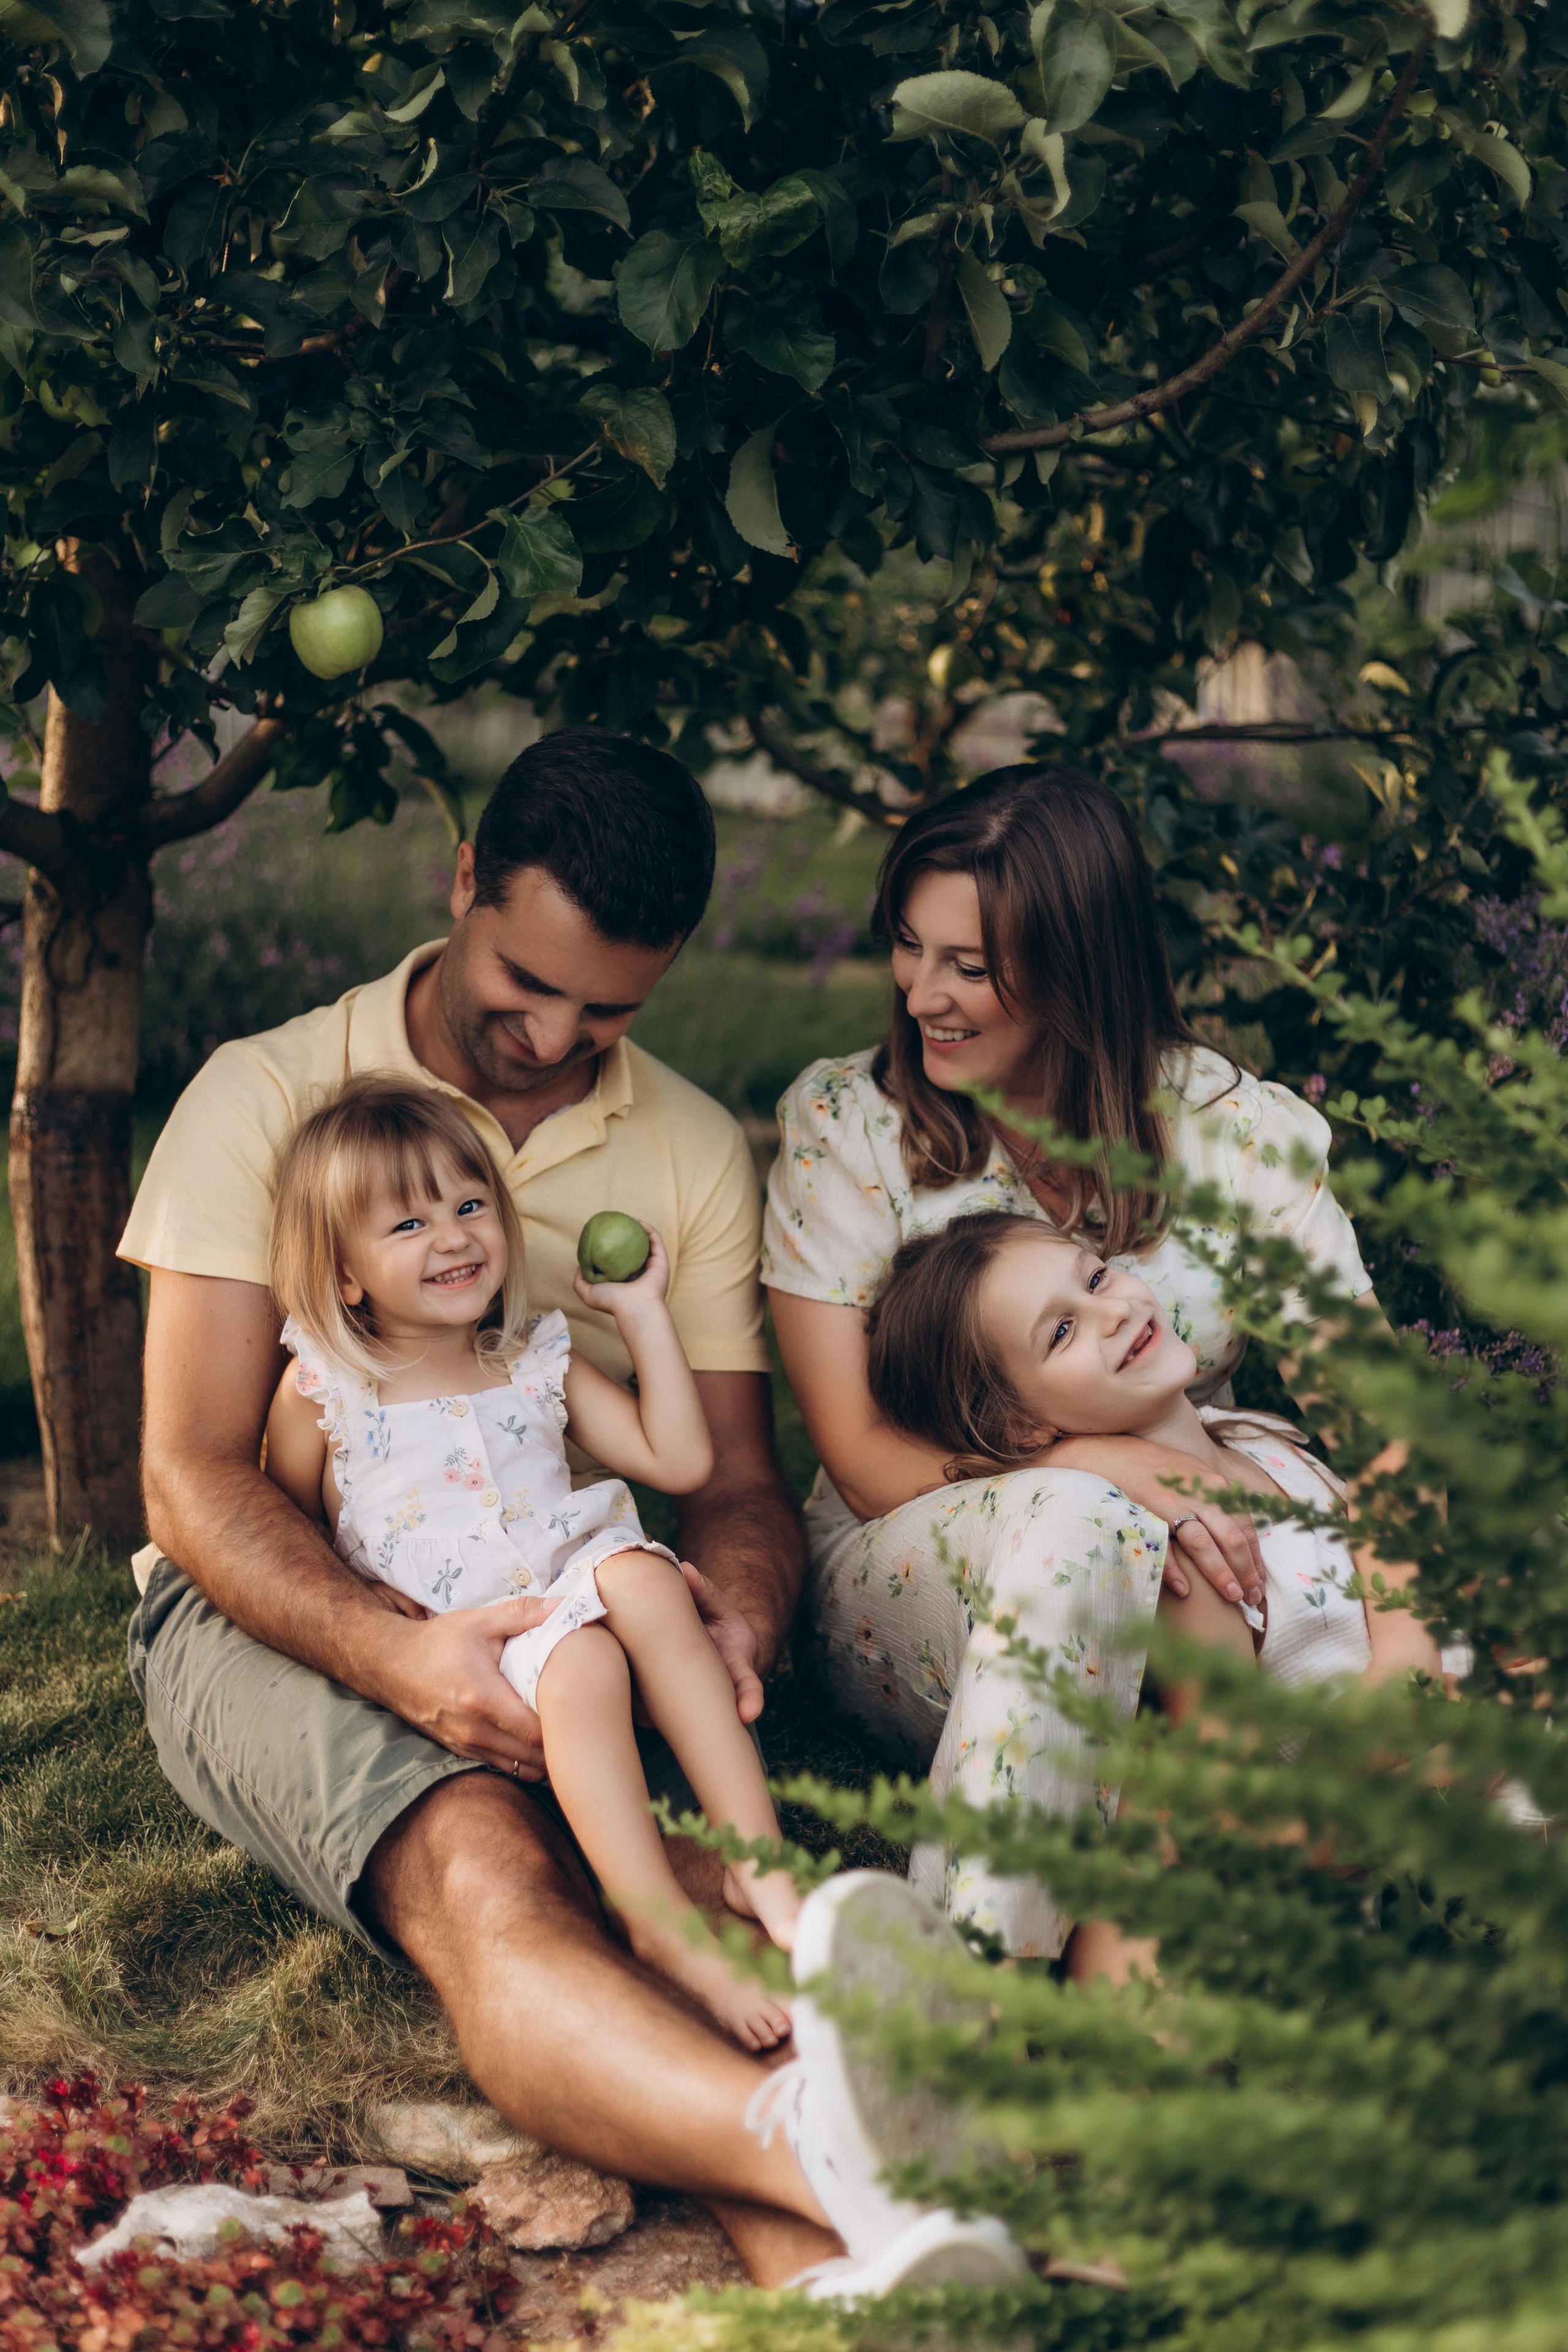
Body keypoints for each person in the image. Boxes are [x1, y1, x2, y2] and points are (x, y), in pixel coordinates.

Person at [123, 728, 1022, 2295]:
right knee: (487, 1867)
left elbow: (734, 1479)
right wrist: (398, 1659)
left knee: (680, 1877)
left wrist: (730, 1613)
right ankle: (830, 2161)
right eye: (522, 986)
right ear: (464, 881)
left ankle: (845, 2263)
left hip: (574, 1594)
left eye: (608, 1005)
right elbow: (196, 1476)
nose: (551, 1036)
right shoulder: (265, 1096)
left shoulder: (678, 1141)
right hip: (292, 1595)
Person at [763, 762, 1398, 1967]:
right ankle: (976, 1981)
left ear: (1074, 963)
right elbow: (856, 1455)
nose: (922, 995)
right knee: (1081, 1520)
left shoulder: (1226, 1132)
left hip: (1201, 1555)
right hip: (922, 1562)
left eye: (970, 964)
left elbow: (1386, 1420)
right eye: (909, 948)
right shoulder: (850, 1126)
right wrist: (1108, 1467)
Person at [265, 1077, 800, 2049]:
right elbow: (283, 1521)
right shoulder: (325, 1392)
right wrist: (357, 1602)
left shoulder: (534, 1357)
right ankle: (659, 1925)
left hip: (570, 1572)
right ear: (344, 1276)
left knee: (640, 1576)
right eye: (408, 1225)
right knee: (584, 1661)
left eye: (470, 1206)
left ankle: (754, 1856)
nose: (454, 1236)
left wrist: (641, 1312)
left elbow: (680, 1460)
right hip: (478, 1630)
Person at [865, 1212, 1442, 1694]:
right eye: (1062, 1332)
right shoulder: (1179, 1551)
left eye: (1094, 1280)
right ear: (1019, 1427)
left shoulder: (1254, 1437)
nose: (1113, 1312)